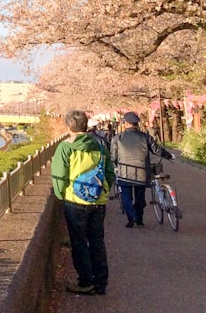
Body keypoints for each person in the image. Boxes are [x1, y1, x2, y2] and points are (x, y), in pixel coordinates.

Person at [51, 109, 115, 296]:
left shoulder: (66, 147)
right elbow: (110, 173)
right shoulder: (100, 146)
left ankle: (86, 281)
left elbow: (59, 176)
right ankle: (101, 283)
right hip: (98, 201)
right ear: (86, 125)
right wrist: (102, 191)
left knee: (79, 242)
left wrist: (61, 194)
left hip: (75, 201)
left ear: (69, 126)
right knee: (97, 241)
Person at [111, 111, 174, 227]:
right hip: (142, 171)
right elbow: (157, 150)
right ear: (137, 124)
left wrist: (115, 166)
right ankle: (139, 218)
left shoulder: (117, 138)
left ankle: (132, 218)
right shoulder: (146, 137)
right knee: (140, 196)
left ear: (125, 124)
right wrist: (169, 156)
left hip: (125, 172)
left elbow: (113, 157)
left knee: (126, 197)